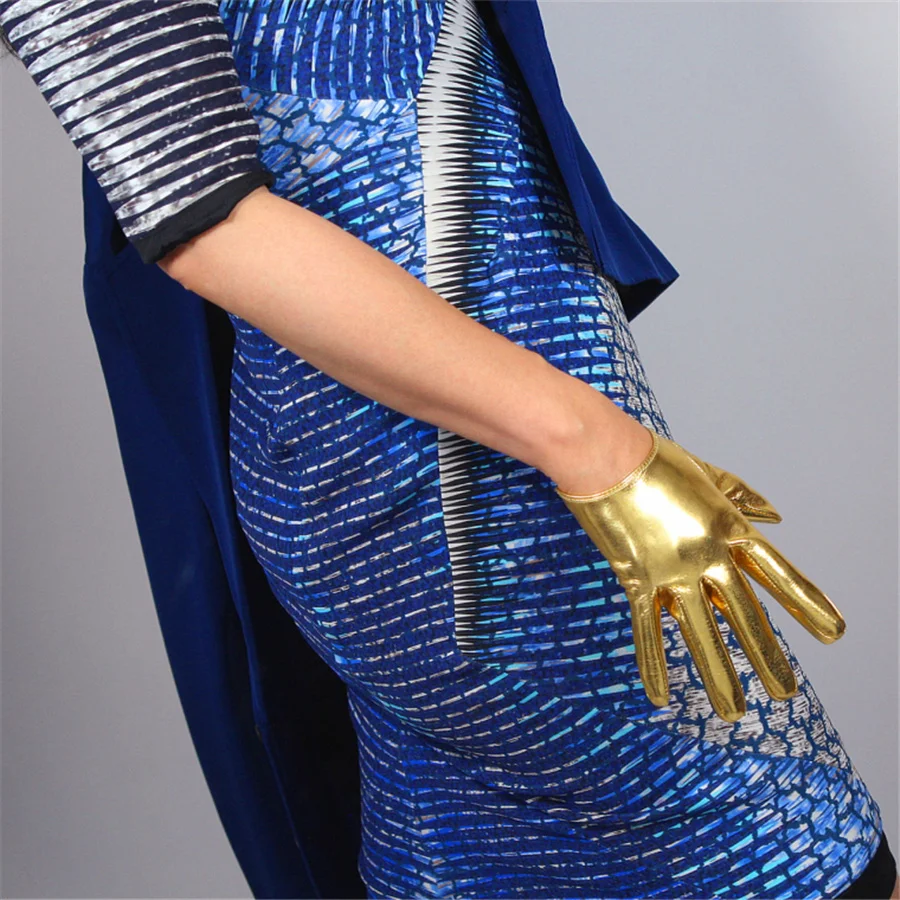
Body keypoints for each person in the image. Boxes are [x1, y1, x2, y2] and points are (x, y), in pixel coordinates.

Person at [1, 1, 896, 897]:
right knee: (796, 856)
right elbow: (205, 221)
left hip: (524, 429)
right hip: (452, 488)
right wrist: (596, 445)